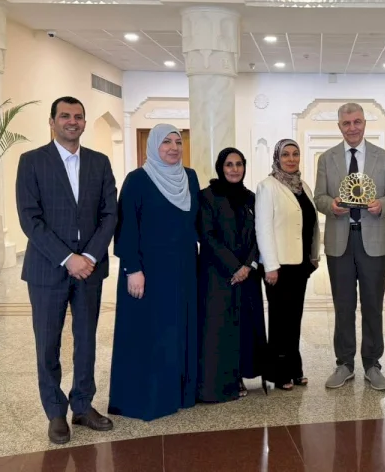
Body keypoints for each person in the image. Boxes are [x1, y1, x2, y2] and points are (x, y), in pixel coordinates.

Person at [16, 96, 117, 444]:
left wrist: (88, 256)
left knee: (87, 340)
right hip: (47, 270)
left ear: (84, 122)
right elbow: (30, 218)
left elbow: (110, 214)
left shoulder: (99, 162)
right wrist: (67, 258)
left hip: (90, 269)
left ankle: (83, 405)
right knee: (48, 344)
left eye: (78, 116)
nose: (72, 121)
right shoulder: (32, 162)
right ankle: (56, 412)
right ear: (52, 121)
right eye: (64, 116)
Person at [107, 124, 200, 420]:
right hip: (148, 270)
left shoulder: (190, 177)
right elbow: (126, 229)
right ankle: (148, 398)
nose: (173, 148)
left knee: (177, 330)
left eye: (177, 142)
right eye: (166, 142)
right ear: (153, 146)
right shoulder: (137, 180)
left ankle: (179, 394)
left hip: (183, 269)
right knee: (151, 333)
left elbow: (196, 223)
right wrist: (132, 269)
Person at [313, 103, 385, 392]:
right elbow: (319, 197)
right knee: (343, 305)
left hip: (373, 240)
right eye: (347, 123)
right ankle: (345, 363)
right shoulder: (326, 159)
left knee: (373, 304)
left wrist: (382, 205)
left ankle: (373, 364)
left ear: (364, 123)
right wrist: (332, 206)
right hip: (340, 241)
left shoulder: (383, 158)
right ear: (339, 126)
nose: (352, 128)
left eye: (357, 122)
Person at [197, 148, 268, 402]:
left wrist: (248, 265)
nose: (234, 169)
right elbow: (207, 235)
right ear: (220, 167)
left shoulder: (251, 198)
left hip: (248, 275)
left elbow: (261, 233)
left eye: (239, 164)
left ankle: (243, 372)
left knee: (245, 326)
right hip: (218, 274)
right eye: (229, 164)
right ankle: (226, 378)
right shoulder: (207, 196)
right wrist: (234, 266)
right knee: (222, 327)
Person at [255, 139, 321, 391]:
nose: (291, 159)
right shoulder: (267, 186)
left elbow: (311, 223)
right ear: (277, 158)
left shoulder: (302, 186)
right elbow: (263, 228)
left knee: (294, 319)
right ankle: (279, 372)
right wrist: (270, 265)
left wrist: (313, 255)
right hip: (279, 266)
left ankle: (294, 369)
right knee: (280, 320)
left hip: (300, 264)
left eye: (295, 154)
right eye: (286, 154)